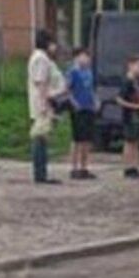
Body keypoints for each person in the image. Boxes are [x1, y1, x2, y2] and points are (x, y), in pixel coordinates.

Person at [27, 29, 65, 184]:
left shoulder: (41, 58)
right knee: (40, 136)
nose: (55, 46)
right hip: (43, 102)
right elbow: (41, 82)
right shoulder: (41, 59)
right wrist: (44, 103)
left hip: (43, 100)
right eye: (53, 43)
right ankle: (40, 173)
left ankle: (42, 172)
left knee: (43, 136)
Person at [66, 47, 97, 180]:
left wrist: (95, 100)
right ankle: (73, 168)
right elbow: (67, 89)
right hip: (78, 108)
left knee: (87, 139)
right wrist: (73, 103)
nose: (87, 59)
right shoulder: (72, 72)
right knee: (77, 139)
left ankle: (84, 167)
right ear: (77, 57)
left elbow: (90, 89)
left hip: (89, 107)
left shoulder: (89, 72)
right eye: (85, 56)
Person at [115, 54, 139, 180]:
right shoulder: (127, 82)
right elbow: (119, 99)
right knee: (129, 142)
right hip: (130, 116)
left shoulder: (135, 82)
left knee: (136, 142)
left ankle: (135, 166)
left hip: (137, 116)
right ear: (131, 65)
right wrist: (134, 106)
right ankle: (128, 168)